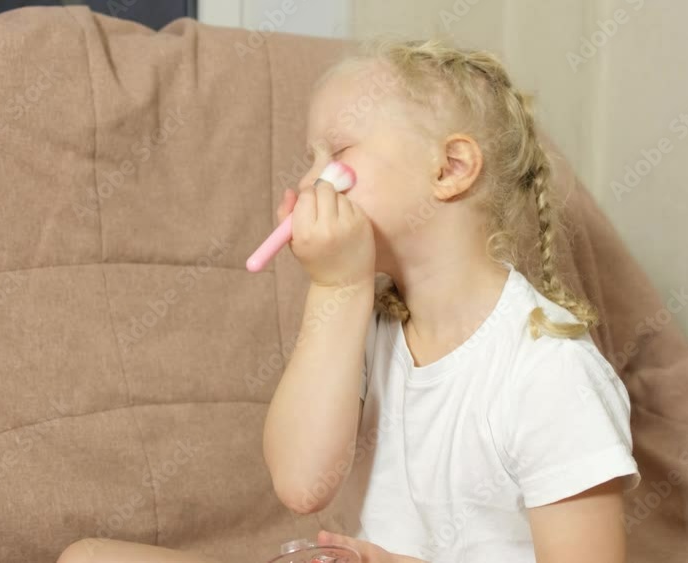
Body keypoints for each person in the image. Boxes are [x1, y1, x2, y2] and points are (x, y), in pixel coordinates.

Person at [58, 36, 639, 563]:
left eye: (335, 153)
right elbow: (300, 483)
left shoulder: (549, 371)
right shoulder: (370, 321)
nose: (308, 184)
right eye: (310, 160)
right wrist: (336, 288)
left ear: (450, 168)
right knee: (89, 558)